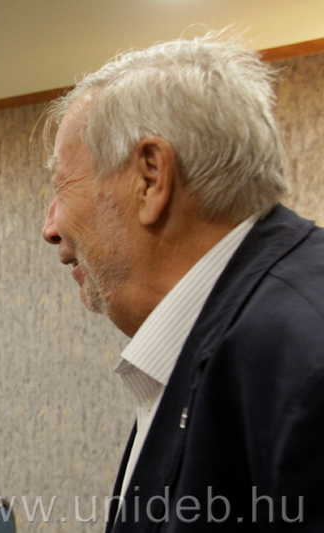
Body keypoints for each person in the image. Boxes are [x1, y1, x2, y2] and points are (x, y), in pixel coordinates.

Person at [41, 35, 324, 531]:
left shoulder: (303, 360)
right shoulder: (234, 336)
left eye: (62, 186)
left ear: (150, 178)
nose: (50, 228)